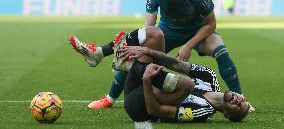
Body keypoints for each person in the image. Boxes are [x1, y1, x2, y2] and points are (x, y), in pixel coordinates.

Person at [71, 0, 242, 109]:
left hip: (196, 31)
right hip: (168, 31)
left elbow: (211, 24)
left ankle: (240, 98)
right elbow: (148, 28)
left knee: (220, 49)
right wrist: (145, 49)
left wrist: (188, 46)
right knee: (136, 53)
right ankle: (109, 98)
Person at [69, 27, 253, 122]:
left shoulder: (200, 112)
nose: (240, 100)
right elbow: (176, 64)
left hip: (139, 105)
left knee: (186, 84)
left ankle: (129, 65)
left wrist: (148, 82)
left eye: (240, 107)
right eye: (243, 100)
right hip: (143, 79)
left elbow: (155, 110)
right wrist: (147, 52)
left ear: (228, 115)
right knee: (155, 34)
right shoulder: (209, 76)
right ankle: (99, 53)